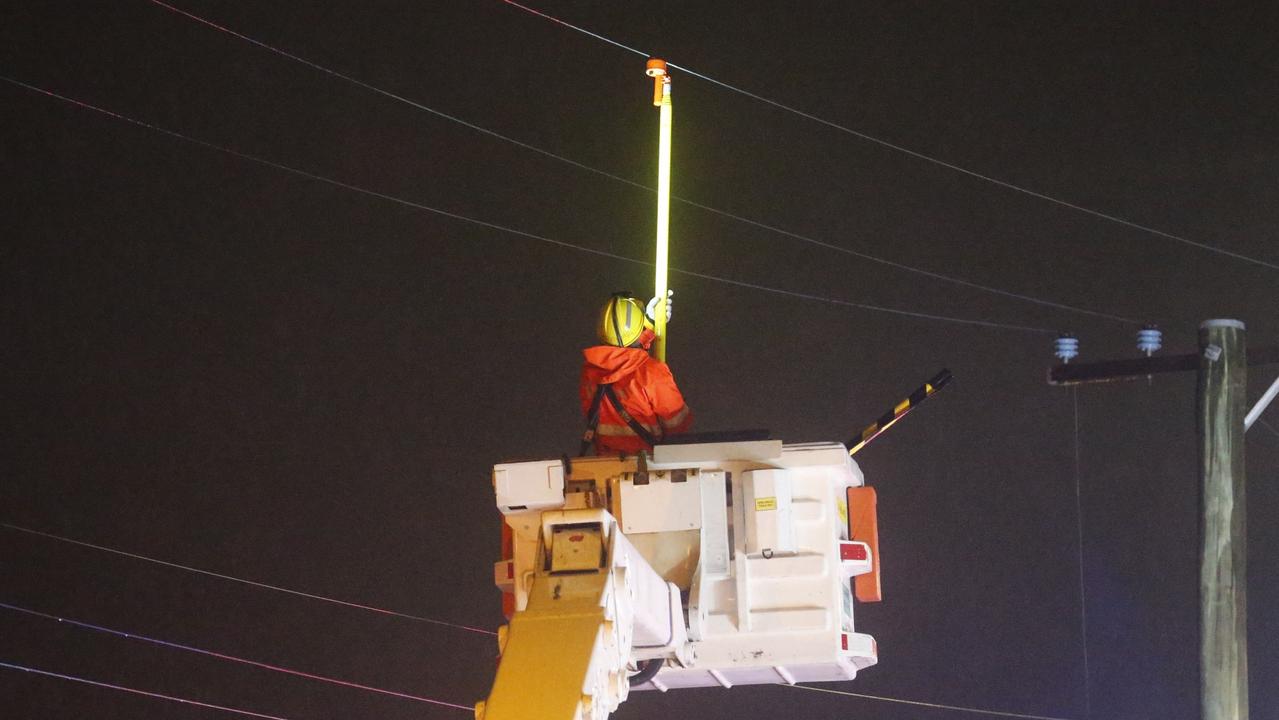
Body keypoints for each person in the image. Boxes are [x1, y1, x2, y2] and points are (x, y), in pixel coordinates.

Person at [579, 291, 692, 455]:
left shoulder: (588, 374)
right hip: (650, 467)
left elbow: (623, 353)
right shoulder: (653, 372)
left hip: (606, 466)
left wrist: (650, 324)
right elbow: (678, 425)